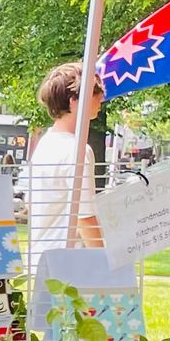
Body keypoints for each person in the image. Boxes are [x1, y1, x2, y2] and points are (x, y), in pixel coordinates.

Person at [26, 60, 103, 265]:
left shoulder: (45, 145)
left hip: (41, 259)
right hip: (69, 266)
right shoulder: (76, 151)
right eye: (95, 91)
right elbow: (84, 217)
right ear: (74, 101)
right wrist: (106, 265)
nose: (101, 96)